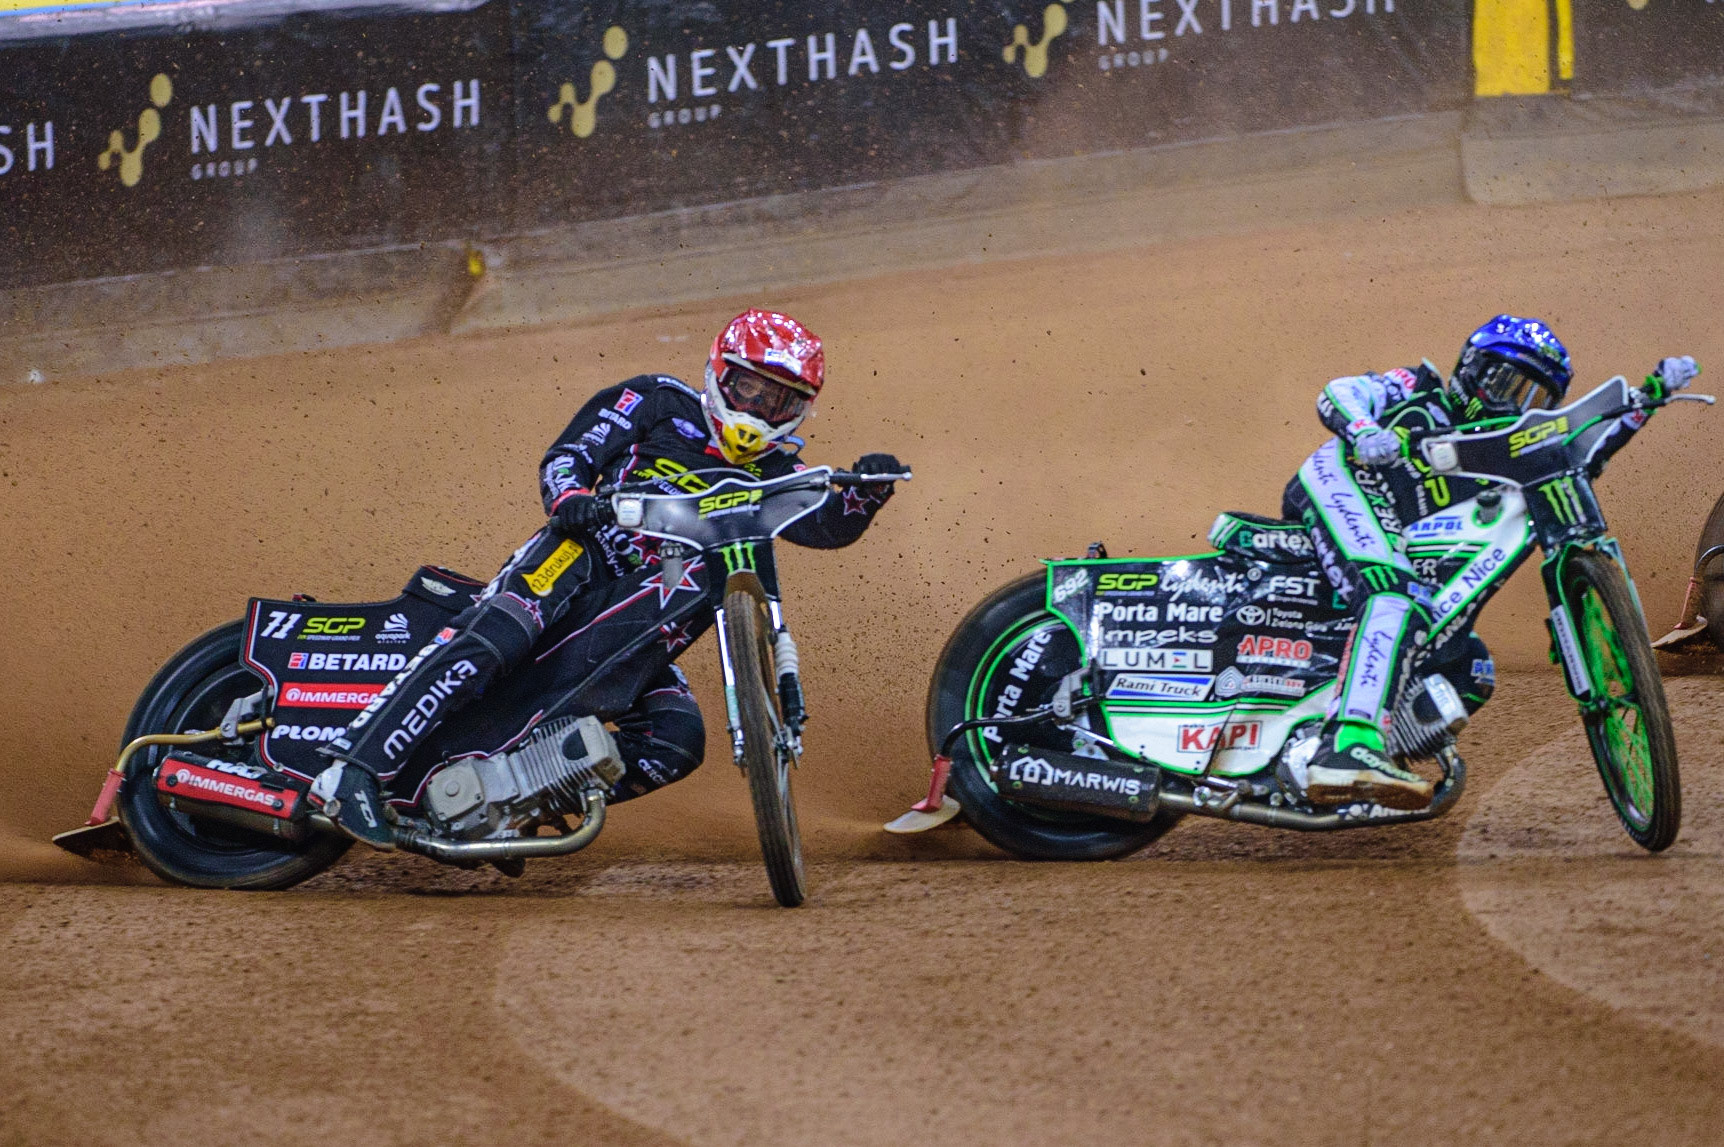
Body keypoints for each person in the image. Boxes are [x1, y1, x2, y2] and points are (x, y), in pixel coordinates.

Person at [308, 308, 905, 848]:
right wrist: (570, 498)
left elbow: (825, 525)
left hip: (653, 597)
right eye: (749, 388)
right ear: (720, 374)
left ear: (800, 410)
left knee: (677, 738)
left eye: (780, 401)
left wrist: (867, 494)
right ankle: (351, 770)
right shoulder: (658, 400)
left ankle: (509, 808)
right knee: (496, 639)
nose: (759, 410)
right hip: (582, 553)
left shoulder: (778, 470)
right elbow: (570, 455)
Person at [1282, 314, 1698, 810]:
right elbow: (1342, 391)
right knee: (1393, 596)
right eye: (1507, 383)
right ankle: (1347, 746)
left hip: (1395, 527)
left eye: (1535, 398)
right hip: (1344, 480)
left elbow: (1579, 451)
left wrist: (1645, 399)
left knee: (1469, 669)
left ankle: (1351, 760)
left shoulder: (1500, 454)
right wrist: (1364, 430)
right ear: (1470, 369)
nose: (1515, 405)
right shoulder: (1418, 388)